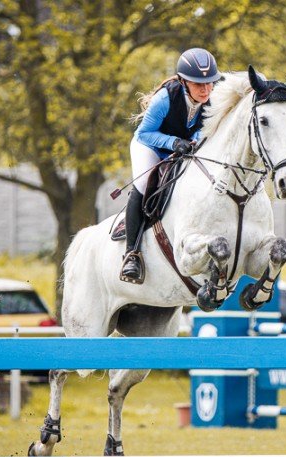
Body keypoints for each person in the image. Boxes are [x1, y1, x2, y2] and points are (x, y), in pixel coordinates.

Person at [120, 47, 221, 284]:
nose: (205, 89)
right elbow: (144, 133)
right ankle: (132, 254)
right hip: (151, 146)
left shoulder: (211, 101)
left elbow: (202, 128)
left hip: (183, 147)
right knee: (144, 185)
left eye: (209, 83)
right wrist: (174, 142)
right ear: (184, 82)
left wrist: (194, 139)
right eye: (199, 84)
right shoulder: (165, 98)